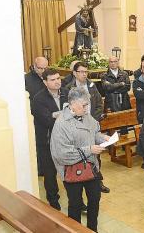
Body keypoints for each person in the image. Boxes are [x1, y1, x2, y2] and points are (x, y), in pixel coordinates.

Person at [50, 87, 109, 232]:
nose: (86, 108)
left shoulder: (87, 116)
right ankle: (74, 230)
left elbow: (94, 133)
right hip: (71, 170)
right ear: (72, 104)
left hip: (90, 167)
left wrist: (103, 138)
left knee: (94, 199)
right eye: (84, 105)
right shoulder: (61, 124)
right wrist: (89, 149)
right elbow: (61, 153)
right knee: (75, 204)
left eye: (87, 104)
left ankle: (92, 229)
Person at [65, 62, 109, 193]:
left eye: (86, 72)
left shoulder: (91, 85)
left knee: (96, 153)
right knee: (80, 153)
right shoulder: (69, 88)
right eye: (81, 72)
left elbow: (100, 104)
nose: (84, 74)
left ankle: (97, 180)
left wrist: (92, 121)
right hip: (77, 128)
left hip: (92, 125)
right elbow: (68, 108)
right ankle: (80, 179)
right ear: (74, 73)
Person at [31, 68, 68, 210]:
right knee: (50, 173)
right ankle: (53, 200)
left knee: (68, 169)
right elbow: (47, 120)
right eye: (53, 80)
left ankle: (75, 198)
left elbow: (73, 112)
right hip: (46, 141)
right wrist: (60, 115)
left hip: (64, 140)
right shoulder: (38, 98)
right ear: (45, 82)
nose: (57, 82)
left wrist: (56, 115)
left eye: (58, 78)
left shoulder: (66, 93)